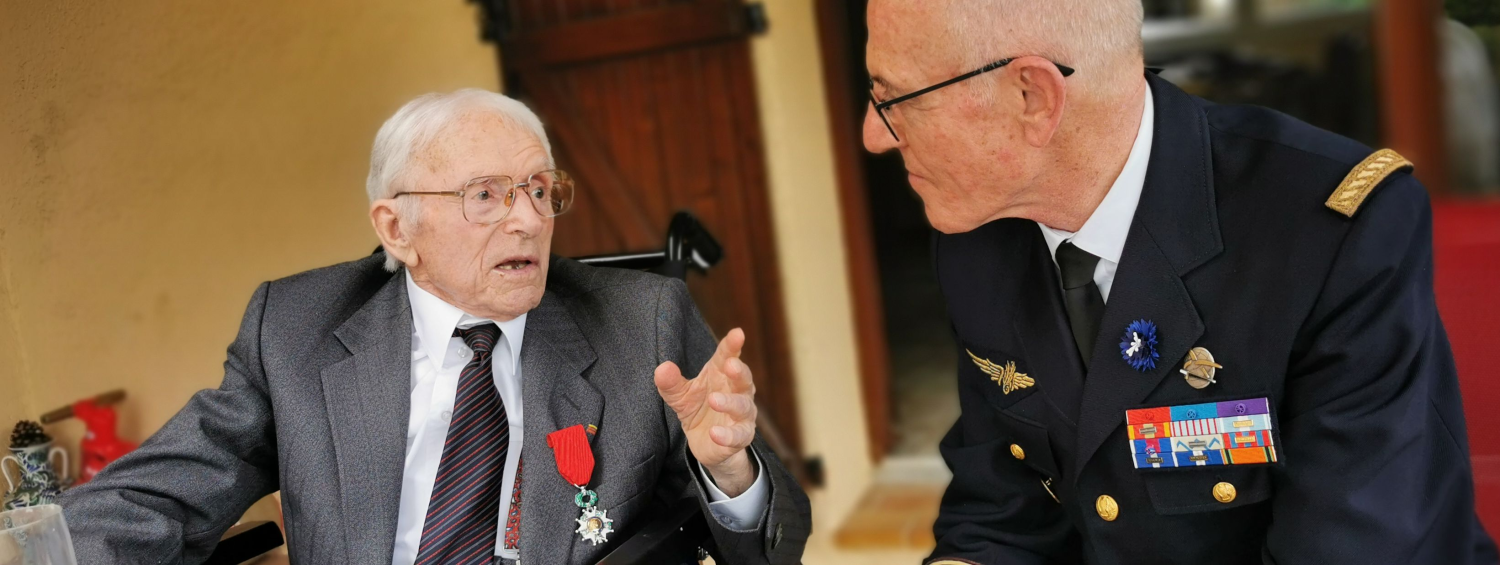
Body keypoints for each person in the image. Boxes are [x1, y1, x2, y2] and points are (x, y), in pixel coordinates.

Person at [861, 1, 1498, 563]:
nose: (873, 135)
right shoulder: (977, 240)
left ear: (1032, 96)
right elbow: (1004, 508)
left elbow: (1353, 544)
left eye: (893, 99)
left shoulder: (1328, 229)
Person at [60, 89, 810, 565]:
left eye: (541, 190)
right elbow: (158, 496)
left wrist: (731, 471)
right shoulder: (295, 329)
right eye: (486, 194)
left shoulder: (641, 322)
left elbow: (777, 539)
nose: (528, 218)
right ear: (397, 228)